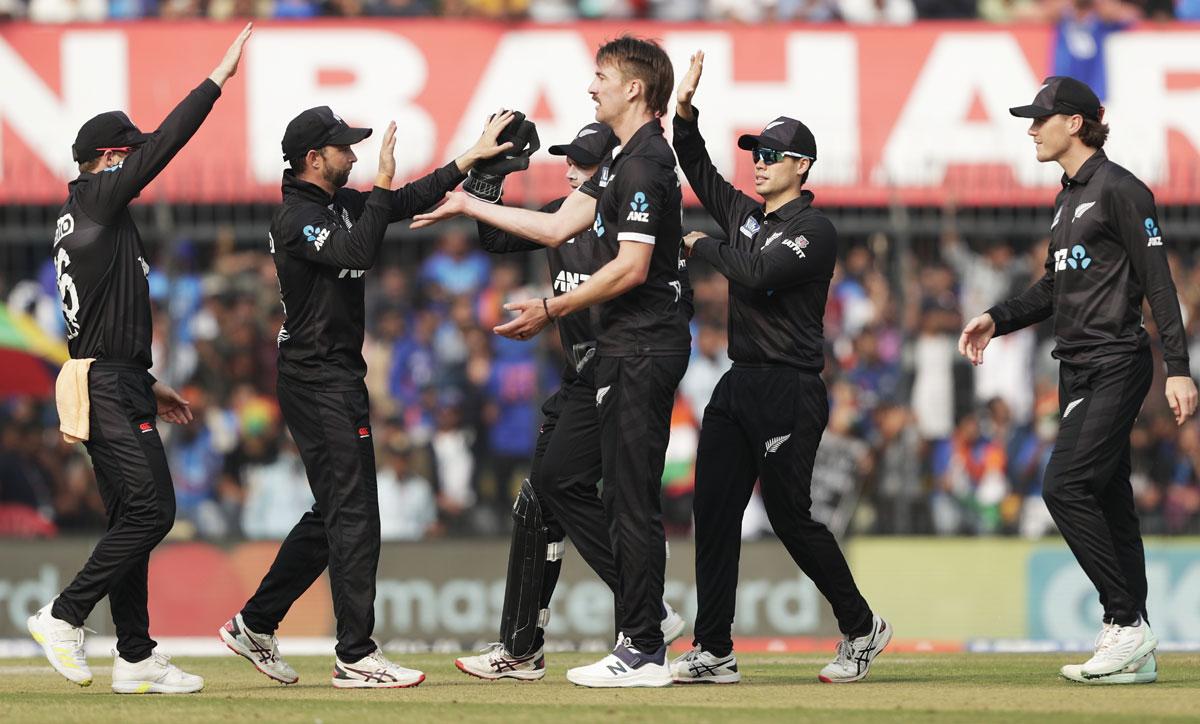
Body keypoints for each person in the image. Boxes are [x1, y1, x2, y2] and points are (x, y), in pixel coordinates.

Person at [414, 36, 691, 688]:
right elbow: (550, 228)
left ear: (634, 88)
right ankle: (622, 629)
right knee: (563, 481)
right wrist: (470, 193)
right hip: (617, 353)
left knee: (626, 498)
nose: (591, 86)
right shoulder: (627, 163)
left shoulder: (645, 163)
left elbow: (632, 266)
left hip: (639, 348)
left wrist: (551, 307)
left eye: (602, 77)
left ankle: (644, 641)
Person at [217, 106, 515, 689]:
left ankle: (255, 623)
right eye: (343, 148)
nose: (353, 156)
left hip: (335, 377)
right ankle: (355, 654)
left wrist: (468, 158)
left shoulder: (334, 205)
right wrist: (379, 186)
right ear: (313, 158)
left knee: (335, 513)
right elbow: (358, 251)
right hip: (316, 380)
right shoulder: (297, 218)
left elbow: (403, 204)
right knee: (356, 515)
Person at [26, 23, 252, 696]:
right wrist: (217, 80)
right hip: (105, 384)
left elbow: (101, 317)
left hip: (113, 379)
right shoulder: (98, 196)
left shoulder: (87, 216)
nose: (135, 165)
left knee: (131, 517)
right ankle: (64, 616)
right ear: (106, 158)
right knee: (153, 513)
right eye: (126, 154)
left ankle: (134, 656)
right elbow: (165, 147)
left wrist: (147, 384)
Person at [960, 76, 1198, 685]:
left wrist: (1178, 367)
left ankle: (1124, 624)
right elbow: (1053, 288)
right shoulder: (1066, 199)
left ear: (1075, 123)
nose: (1031, 129)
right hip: (1077, 367)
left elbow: (1159, 282)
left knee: (1063, 487)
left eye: (1041, 119)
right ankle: (1135, 643)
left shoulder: (1121, 190)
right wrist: (997, 317)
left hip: (1117, 362)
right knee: (1112, 501)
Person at [669, 50, 890, 684]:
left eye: (771, 155)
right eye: (756, 154)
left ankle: (860, 627)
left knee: (791, 517)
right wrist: (685, 114)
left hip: (791, 388)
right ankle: (713, 648)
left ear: (802, 166)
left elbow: (760, 274)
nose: (759, 163)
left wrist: (701, 245)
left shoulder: (814, 229)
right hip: (739, 383)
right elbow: (701, 172)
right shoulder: (746, 216)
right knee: (711, 511)